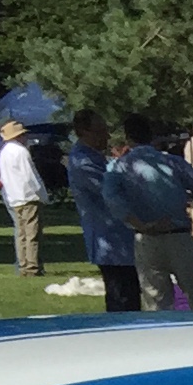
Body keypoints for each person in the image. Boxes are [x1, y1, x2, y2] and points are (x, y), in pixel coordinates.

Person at [109, 112, 193, 309]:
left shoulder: (117, 167)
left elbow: (113, 201)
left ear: (128, 137)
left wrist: (141, 225)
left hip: (145, 237)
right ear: (151, 135)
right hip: (178, 236)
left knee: (156, 302)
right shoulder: (172, 162)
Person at [64, 111, 138, 312]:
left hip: (120, 237)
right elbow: (111, 192)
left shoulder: (95, 157)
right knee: (121, 299)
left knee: (130, 295)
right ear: (82, 132)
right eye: (100, 132)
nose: (106, 137)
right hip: (109, 240)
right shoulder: (83, 161)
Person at [0, 118, 47, 274]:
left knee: (21, 234)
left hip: (14, 196)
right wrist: (41, 194)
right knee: (32, 233)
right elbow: (29, 176)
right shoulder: (21, 151)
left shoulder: (3, 152)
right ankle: (32, 266)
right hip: (28, 196)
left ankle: (23, 264)